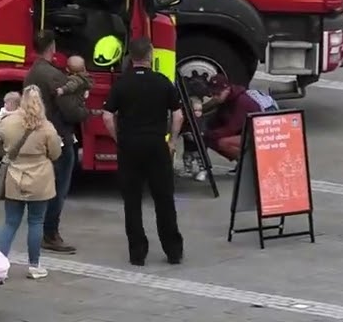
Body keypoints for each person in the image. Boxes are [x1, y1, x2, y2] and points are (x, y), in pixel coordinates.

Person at [101, 37, 184, 266]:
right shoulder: (162, 81)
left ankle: (137, 253)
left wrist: (118, 138)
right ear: (150, 54)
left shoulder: (122, 84)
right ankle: (173, 250)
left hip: (130, 146)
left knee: (132, 200)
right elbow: (177, 115)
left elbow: (107, 116)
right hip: (157, 144)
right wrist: (172, 141)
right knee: (164, 199)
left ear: (131, 57)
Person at [0, 85, 62, 279]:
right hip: (40, 179)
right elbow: (55, 153)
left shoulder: (8, 122)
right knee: (36, 221)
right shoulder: (47, 127)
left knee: (10, 223)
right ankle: (34, 266)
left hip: (15, 176)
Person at [24, 32, 78, 254]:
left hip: (37, 136)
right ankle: (51, 234)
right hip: (58, 137)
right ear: (52, 47)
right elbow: (71, 110)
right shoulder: (53, 75)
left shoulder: (32, 73)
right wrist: (83, 111)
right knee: (59, 187)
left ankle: (42, 230)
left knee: (44, 187)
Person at [203, 75, 278, 164]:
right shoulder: (226, 100)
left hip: (262, 136)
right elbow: (216, 121)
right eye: (212, 94)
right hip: (249, 132)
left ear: (227, 89)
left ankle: (249, 163)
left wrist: (206, 134)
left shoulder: (242, 101)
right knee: (212, 140)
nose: (215, 97)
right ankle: (244, 162)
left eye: (218, 94)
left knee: (221, 142)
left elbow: (231, 129)